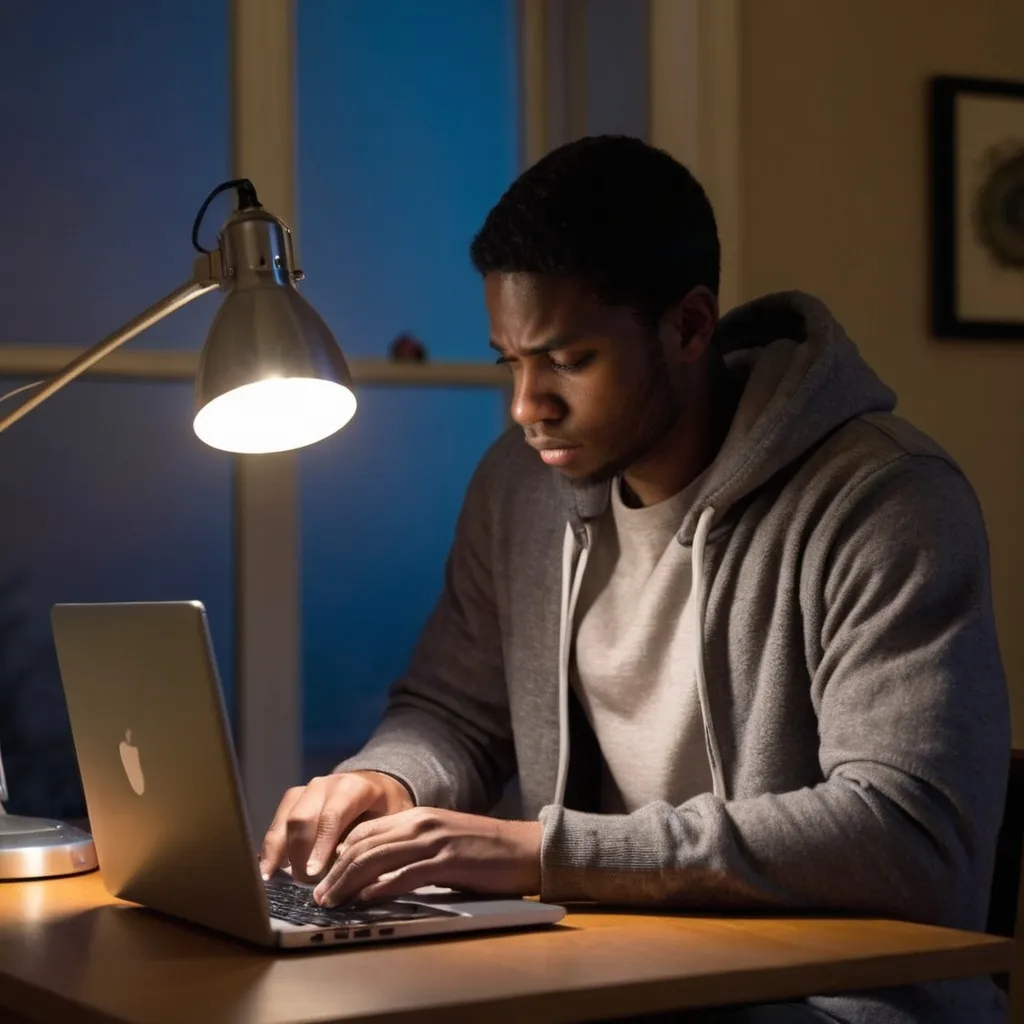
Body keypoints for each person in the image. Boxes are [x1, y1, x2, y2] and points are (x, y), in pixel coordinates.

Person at [260, 136, 1010, 1023]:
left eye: (568, 361)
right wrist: (388, 782)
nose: (527, 406)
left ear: (689, 327)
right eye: (512, 361)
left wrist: (543, 852)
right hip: (613, 977)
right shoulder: (520, 487)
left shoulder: (886, 500)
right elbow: (454, 711)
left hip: (833, 1000)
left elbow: (910, 838)